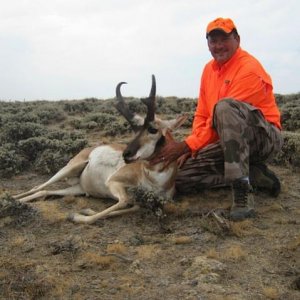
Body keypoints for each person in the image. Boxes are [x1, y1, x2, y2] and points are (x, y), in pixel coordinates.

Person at [151, 17, 283, 221]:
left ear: (237, 39)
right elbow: (203, 115)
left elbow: (224, 117)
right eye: (213, 41)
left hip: (263, 138)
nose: (218, 46)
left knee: (225, 107)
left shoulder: (249, 68)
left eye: (224, 39)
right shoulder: (208, 70)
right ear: (208, 44)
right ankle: (255, 175)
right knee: (180, 178)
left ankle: (242, 193)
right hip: (230, 140)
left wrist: (187, 145)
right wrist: (193, 146)